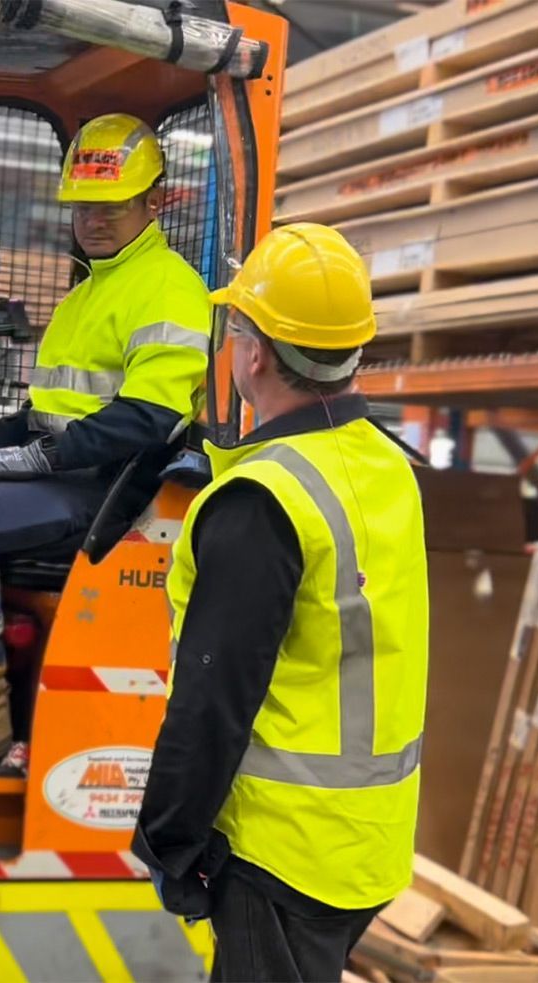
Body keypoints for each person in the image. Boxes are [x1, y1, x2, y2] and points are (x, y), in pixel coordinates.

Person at [130, 222, 429, 982]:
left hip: (282, 855)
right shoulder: (390, 468)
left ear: (255, 353)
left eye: (237, 327)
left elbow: (214, 695)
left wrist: (169, 839)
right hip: (364, 845)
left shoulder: (264, 501)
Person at [0, 113, 211, 767]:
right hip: (58, 472)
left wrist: (38, 455)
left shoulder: (171, 290)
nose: (92, 220)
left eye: (109, 206)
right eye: (82, 207)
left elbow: (148, 418)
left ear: (154, 201)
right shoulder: (87, 292)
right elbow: (47, 411)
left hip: (111, 488)